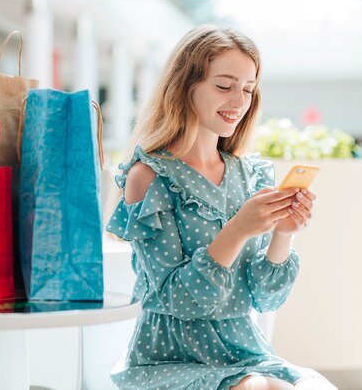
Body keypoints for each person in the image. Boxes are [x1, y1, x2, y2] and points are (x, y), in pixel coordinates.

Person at [105, 25, 338, 390]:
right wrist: (237, 230)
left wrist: (282, 235)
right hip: (170, 358)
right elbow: (178, 300)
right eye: (224, 85)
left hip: (244, 351)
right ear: (186, 86)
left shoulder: (252, 175)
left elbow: (266, 298)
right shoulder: (149, 176)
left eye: (247, 89)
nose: (238, 101)